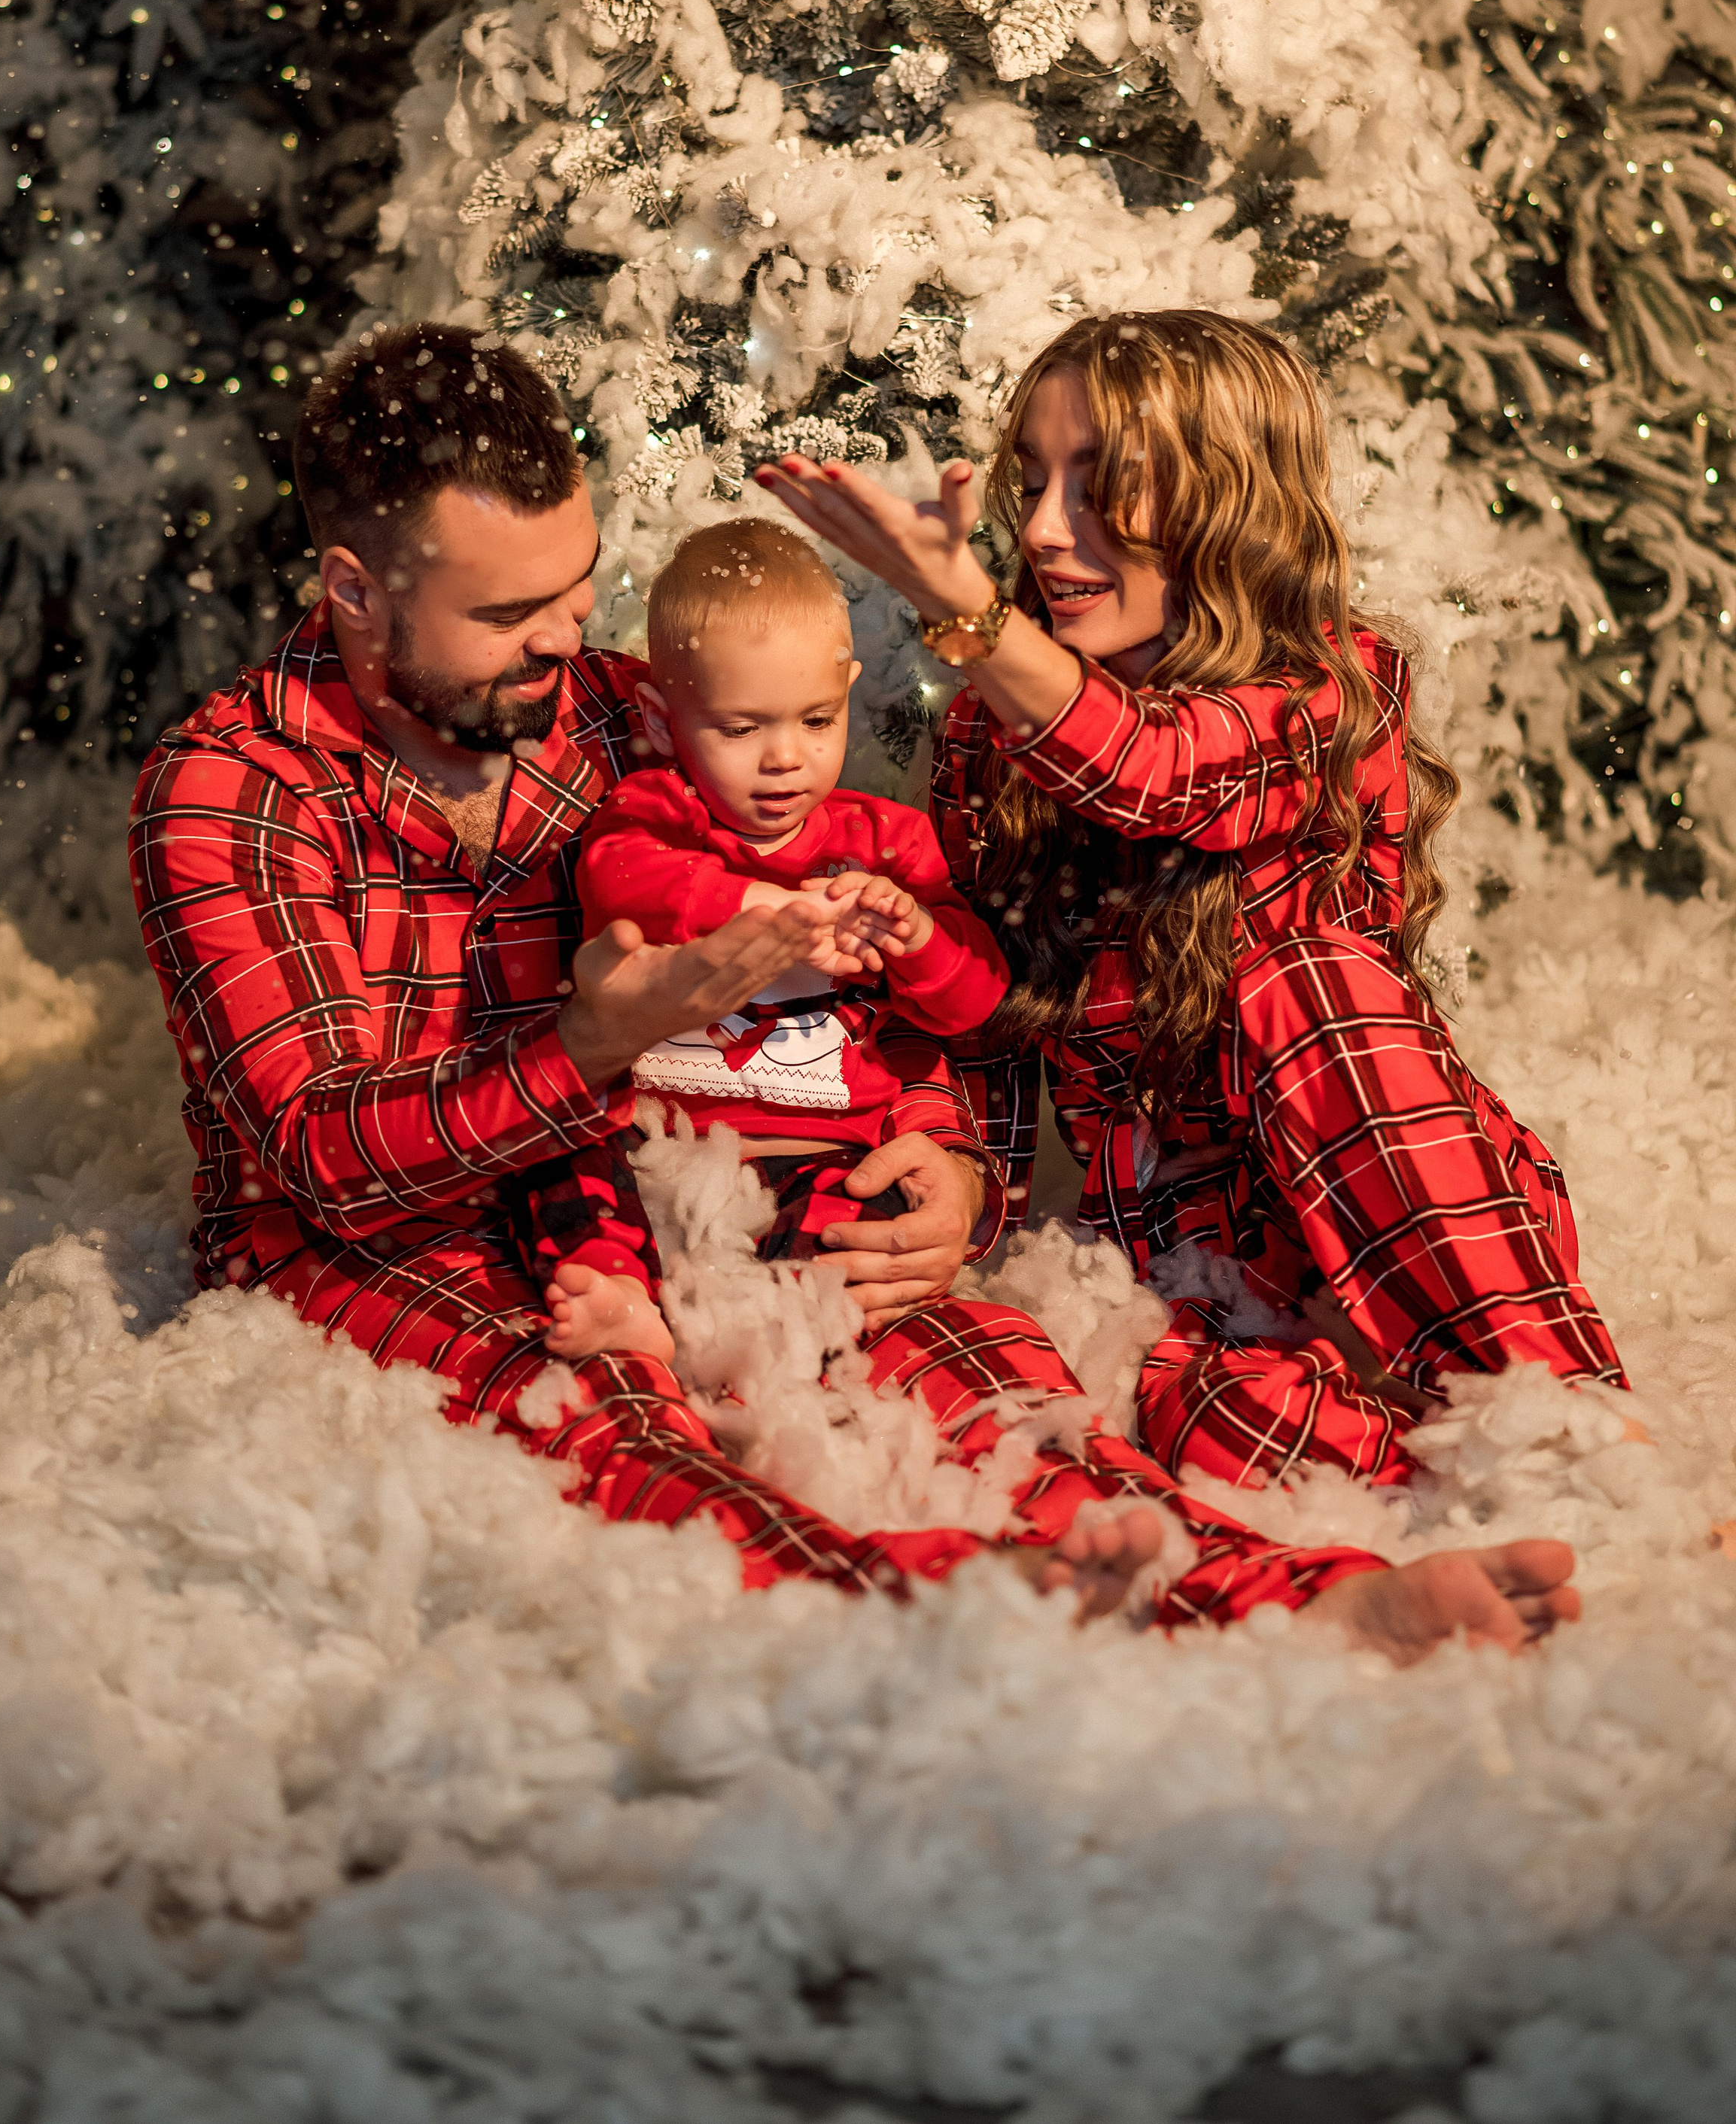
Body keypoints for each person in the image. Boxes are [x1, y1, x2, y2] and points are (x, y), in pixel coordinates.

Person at [128, 316, 1582, 1658]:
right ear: (353, 590)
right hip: (417, 1248)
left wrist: (946, 1156)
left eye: (576, 590)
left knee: (990, 1371)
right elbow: (322, 1163)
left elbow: (884, 972)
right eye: (510, 613)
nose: (565, 640)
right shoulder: (231, 793)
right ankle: (933, 1612)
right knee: (622, 1432)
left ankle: (1289, 1602)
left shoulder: (639, 714)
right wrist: (589, 1046)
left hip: (713, 1194)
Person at [758, 308, 1628, 1493]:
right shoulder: (987, 738)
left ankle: (1580, 1430)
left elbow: (1154, 771)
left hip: (1419, 1203)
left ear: (1226, 502)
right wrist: (962, 1182)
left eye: (1103, 485)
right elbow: (975, 1003)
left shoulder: (1332, 687)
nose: (1051, 530)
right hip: (1199, 1255)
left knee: (1304, 983)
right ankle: (1432, 1456)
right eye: (1035, 481)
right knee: (1176, 1414)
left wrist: (969, 619)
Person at [514, 516, 1012, 1366]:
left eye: (816, 719)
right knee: (549, 1174)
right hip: (653, 1155)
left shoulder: (885, 845)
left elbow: (972, 1004)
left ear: (849, 691)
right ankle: (622, 1297)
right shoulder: (655, 816)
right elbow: (620, 878)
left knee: (862, 1227)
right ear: (663, 721)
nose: (785, 757)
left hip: (813, 1155)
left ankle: (774, 1332)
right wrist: (761, 911)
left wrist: (917, 933)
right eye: (742, 729)